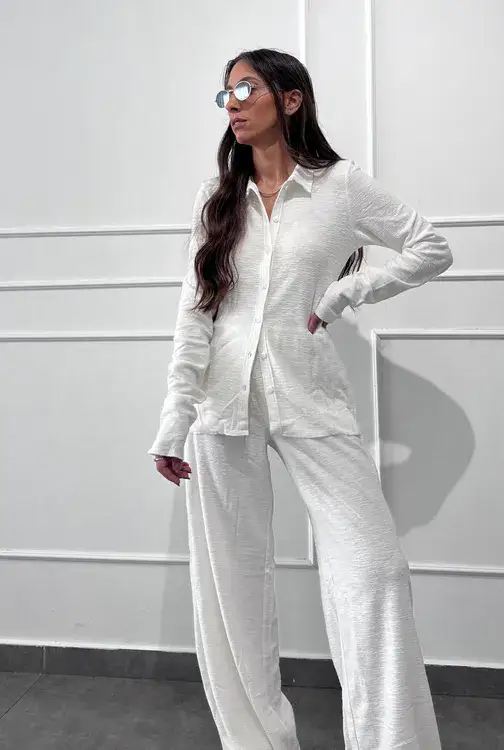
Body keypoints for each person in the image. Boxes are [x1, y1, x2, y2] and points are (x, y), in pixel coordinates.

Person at [148, 47, 452, 750]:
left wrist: (348, 291)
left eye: (245, 88)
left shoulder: (340, 186)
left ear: (290, 99)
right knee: (231, 589)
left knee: (373, 571)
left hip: (308, 395)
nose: (231, 104)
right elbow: (195, 315)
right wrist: (173, 421)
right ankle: (257, 741)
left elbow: (429, 247)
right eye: (224, 93)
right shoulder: (217, 198)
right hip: (218, 405)